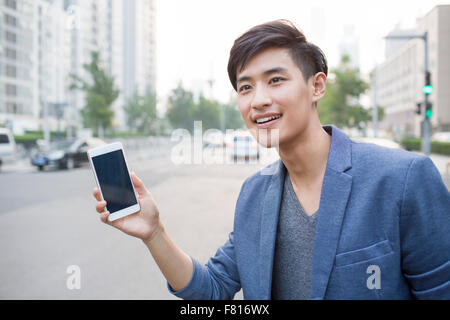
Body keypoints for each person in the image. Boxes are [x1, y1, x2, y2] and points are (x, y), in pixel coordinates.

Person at [93, 20, 450, 299]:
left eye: (275, 80)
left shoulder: (403, 179)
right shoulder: (254, 194)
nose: (258, 99)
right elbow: (213, 289)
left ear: (317, 86)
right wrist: (154, 234)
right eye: (245, 87)